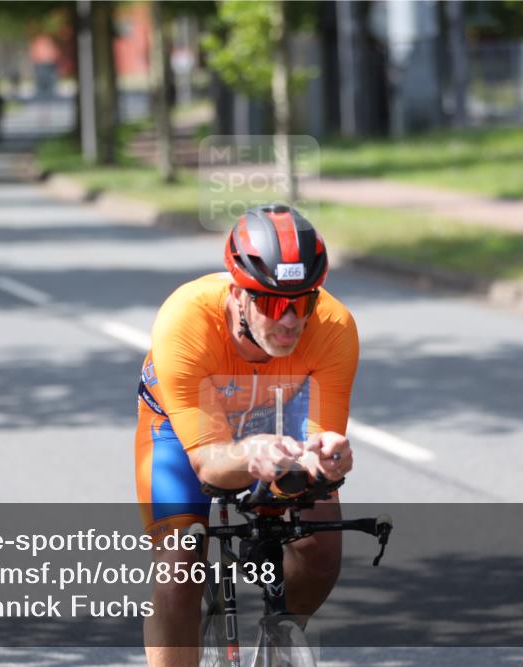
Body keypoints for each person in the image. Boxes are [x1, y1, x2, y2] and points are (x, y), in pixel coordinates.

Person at [134, 205, 359, 666]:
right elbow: (208, 466)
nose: (291, 320)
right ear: (237, 294)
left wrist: (327, 458)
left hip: (278, 418)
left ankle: (281, 637)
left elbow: (320, 439)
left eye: (304, 301)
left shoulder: (334, 327)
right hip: (187, 433)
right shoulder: (185, 320)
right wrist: (249, 454)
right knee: (180, 568)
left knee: (321, 549)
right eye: (273, 303)